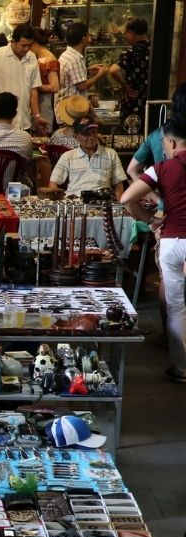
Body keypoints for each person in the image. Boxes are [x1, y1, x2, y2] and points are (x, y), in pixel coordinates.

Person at [121, 116, 186, 382]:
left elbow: (127, 198)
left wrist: (150, 221)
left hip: (172, 240)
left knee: (177, 308)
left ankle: (182, 369)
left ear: (171, 142)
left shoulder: (162, 167)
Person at [0, 24, 45, 133]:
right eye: (23, 45)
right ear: (13, 41)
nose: (27, 48)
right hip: (0, 123)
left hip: (24, 122)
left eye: (30, 45)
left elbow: (33, 89)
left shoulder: (31, 57)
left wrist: (37, 115)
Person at [49, 119, 127, 200]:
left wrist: (118, 205)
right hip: (75, 203)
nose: (91, 137)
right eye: (86, 134)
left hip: (102, 203)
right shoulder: (68, 156)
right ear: (76, 136)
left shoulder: (111, 154)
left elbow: (118, 184)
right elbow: (53, 182)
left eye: (94, 132)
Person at [111, 18, 151, 121]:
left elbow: (113, 70)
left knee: (131, 134)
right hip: (151, 104)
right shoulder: (155, 49)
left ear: (132, 33)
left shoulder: (130, 53)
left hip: (132, 103)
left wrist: (125, 86)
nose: (125, 36)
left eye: (125, 33)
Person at [57, 23, 108, 101]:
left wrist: (87, 70)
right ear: (83, 38)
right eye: (88, 35)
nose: (90, 37)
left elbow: (71, 75)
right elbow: (82, 86)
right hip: (72, 108)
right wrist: (99, 75)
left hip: (65, 105)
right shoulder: (74, 59)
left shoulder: (67, 54)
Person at [30, 28, 61, 127]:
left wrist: (35, 86)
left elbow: (54, 86)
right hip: (39, 101)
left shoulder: (49, 60)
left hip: (44, 103)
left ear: (34, 43)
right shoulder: (40, 58)